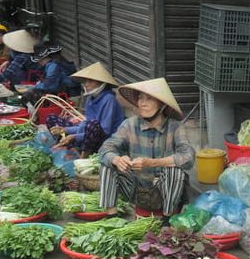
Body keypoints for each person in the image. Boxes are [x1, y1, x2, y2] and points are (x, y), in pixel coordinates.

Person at [98, 77, 195, 217]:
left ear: (162, 104)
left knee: (174, 170)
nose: (143, 103)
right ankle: (111, 217)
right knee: (107, 163)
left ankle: (167, 219)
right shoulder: (129, 125)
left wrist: (153, 163)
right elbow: (106, 148)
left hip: (165, 191)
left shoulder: (175, 127)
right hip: (137, 189)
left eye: (149, 99)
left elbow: (188, 157)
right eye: (140, 98)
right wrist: (117, 160)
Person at [47, 62, 125, 156]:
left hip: (105, 140)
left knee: (92, 125)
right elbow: (85, 125)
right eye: (86, 81)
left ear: (102, 83)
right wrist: (65, 129)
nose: (86, 84)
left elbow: (105, 131)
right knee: (52, 118)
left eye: (91, 81)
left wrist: (75, 137)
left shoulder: (109, 99)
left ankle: (83, 156)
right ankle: (65, 146)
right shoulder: (90, 99)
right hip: (89, 134)